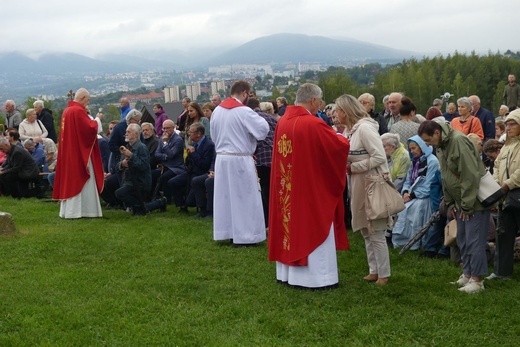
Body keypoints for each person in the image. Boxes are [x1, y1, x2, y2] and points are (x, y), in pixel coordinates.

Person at [268, 83, 350, 289]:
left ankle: (287, 274)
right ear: (313, 100)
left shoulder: (283, 121)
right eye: (320, 102)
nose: (320, 105)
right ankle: (318, 278)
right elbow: (337, 147)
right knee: (310, 224)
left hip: (288, 184)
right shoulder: (312, 124)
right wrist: (342, 136)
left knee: (289, 225)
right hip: (307, 188)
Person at [418, 120, 491, 293]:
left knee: (474, 240)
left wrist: (466, 205)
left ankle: (477, 280)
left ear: (437, 133)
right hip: (460, 201)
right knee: (463, 239)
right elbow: (445, 175)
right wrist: (450, 202)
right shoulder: (442, 144)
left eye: (428, 140)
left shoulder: (458, 141)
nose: (428, 144)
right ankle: (467, 273)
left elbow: (470, 174)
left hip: (474, 202)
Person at [337, 94, 391, 285]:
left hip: (372, 183)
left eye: (337, 110)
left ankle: (384, 273)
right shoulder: (349, 131)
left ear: (345, 111)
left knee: (375, 228)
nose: (335, 114)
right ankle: (373, 269)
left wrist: (354, 167)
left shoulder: (366, 128)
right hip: (358, 184)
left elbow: (379, 157)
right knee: (364, 229)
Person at [211, 80, 269, 246]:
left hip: (222, 158)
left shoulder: (217, 111)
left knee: (226, 197)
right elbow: (263, 130)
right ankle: (246, 236)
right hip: (240, 158)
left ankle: (229, 232)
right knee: (244, 197)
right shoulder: (244, 111)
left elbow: (214, 136)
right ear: (245, 93)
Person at [52, 88, 104, 219]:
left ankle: (69, 211)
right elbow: (89, 129)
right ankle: (85, 211)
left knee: (71, 179)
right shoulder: (78, 111)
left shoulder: (67, 111)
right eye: (88, 99)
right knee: (80, 178)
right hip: (78, 153)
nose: (88, 102)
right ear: (82, 98)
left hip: (70, 152)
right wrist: (97, 119)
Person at [487, 109, 520, 281]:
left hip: (516, 192)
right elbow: (497, 166)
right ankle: (501, 272)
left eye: (513, 123)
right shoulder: (506, 146)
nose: (508, 127)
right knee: (503, 235)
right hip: (505, 197)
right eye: (507, 123)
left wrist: (508, 184)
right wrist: (496, 184)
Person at [391, 135, 440, 250]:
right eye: (411, 149)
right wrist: (405, 192)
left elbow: (429, 185)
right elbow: (408, 180)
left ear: (422, 147)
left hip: (425, 197)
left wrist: (412, 195)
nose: (412, 151)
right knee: (401, 209)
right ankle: (403, 240)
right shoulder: (415, 161)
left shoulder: (432, 161)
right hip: (413, 195)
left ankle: (415, 242)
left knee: (416, 210)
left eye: (414, 148)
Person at [247, 98, 277, 227]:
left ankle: (266, 222)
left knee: (262, 193)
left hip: (261, 158)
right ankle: (275, 220)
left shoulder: (252, 118)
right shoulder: (270, 118)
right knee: (272, 192)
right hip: (274, 157)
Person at [115, 123, 151, 215]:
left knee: (120, 193)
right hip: (129, 180)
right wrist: (122, 164)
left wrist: (131, 156)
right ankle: (142, 208)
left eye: (129, 132)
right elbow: (117, 166)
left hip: (140, 181)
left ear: (136, 134)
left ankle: (139, 208)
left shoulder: (142, 147)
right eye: (126, 132)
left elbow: (143, 166)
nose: (126, 134)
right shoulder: (127, 147)